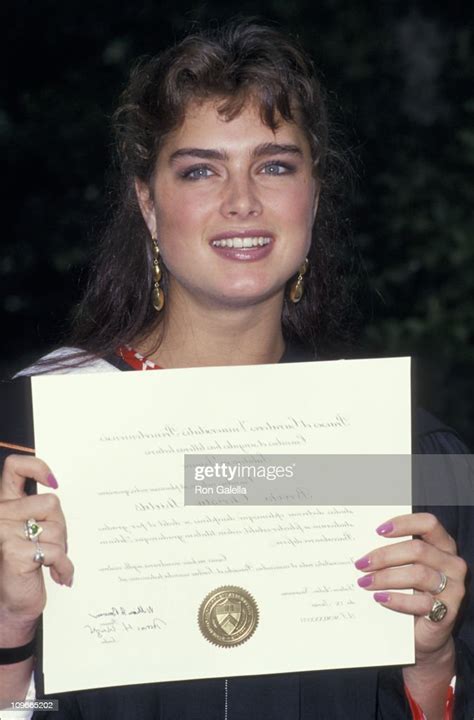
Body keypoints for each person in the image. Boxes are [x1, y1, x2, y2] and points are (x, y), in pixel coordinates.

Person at [0, 19, 472, 720]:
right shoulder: (27, 439)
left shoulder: (408, 460)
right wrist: (10, 628)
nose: (242, 201)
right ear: (148, 206)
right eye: (200, 170)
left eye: (275, 165)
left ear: (312, 197)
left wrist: (433, 662)